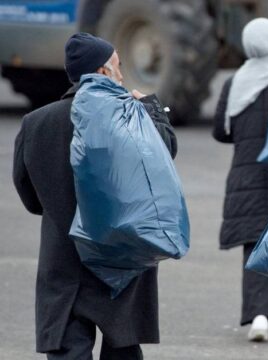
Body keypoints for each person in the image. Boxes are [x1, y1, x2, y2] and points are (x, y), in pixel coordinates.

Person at [12, 32, 177, 359]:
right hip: (121, 259)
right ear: (102, 72)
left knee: (67, 347)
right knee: (122, 348)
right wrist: (150, 108)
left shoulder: (35, 124)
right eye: (117, 65)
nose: (120, 72)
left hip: (63, 259)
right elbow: (165, 155)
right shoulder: (128, 115)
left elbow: (30, 198)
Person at [212, 18, 268, 341]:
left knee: (255, 245)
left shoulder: (235, 82)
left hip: (246, 174)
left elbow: (221, 131)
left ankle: (260, 317)